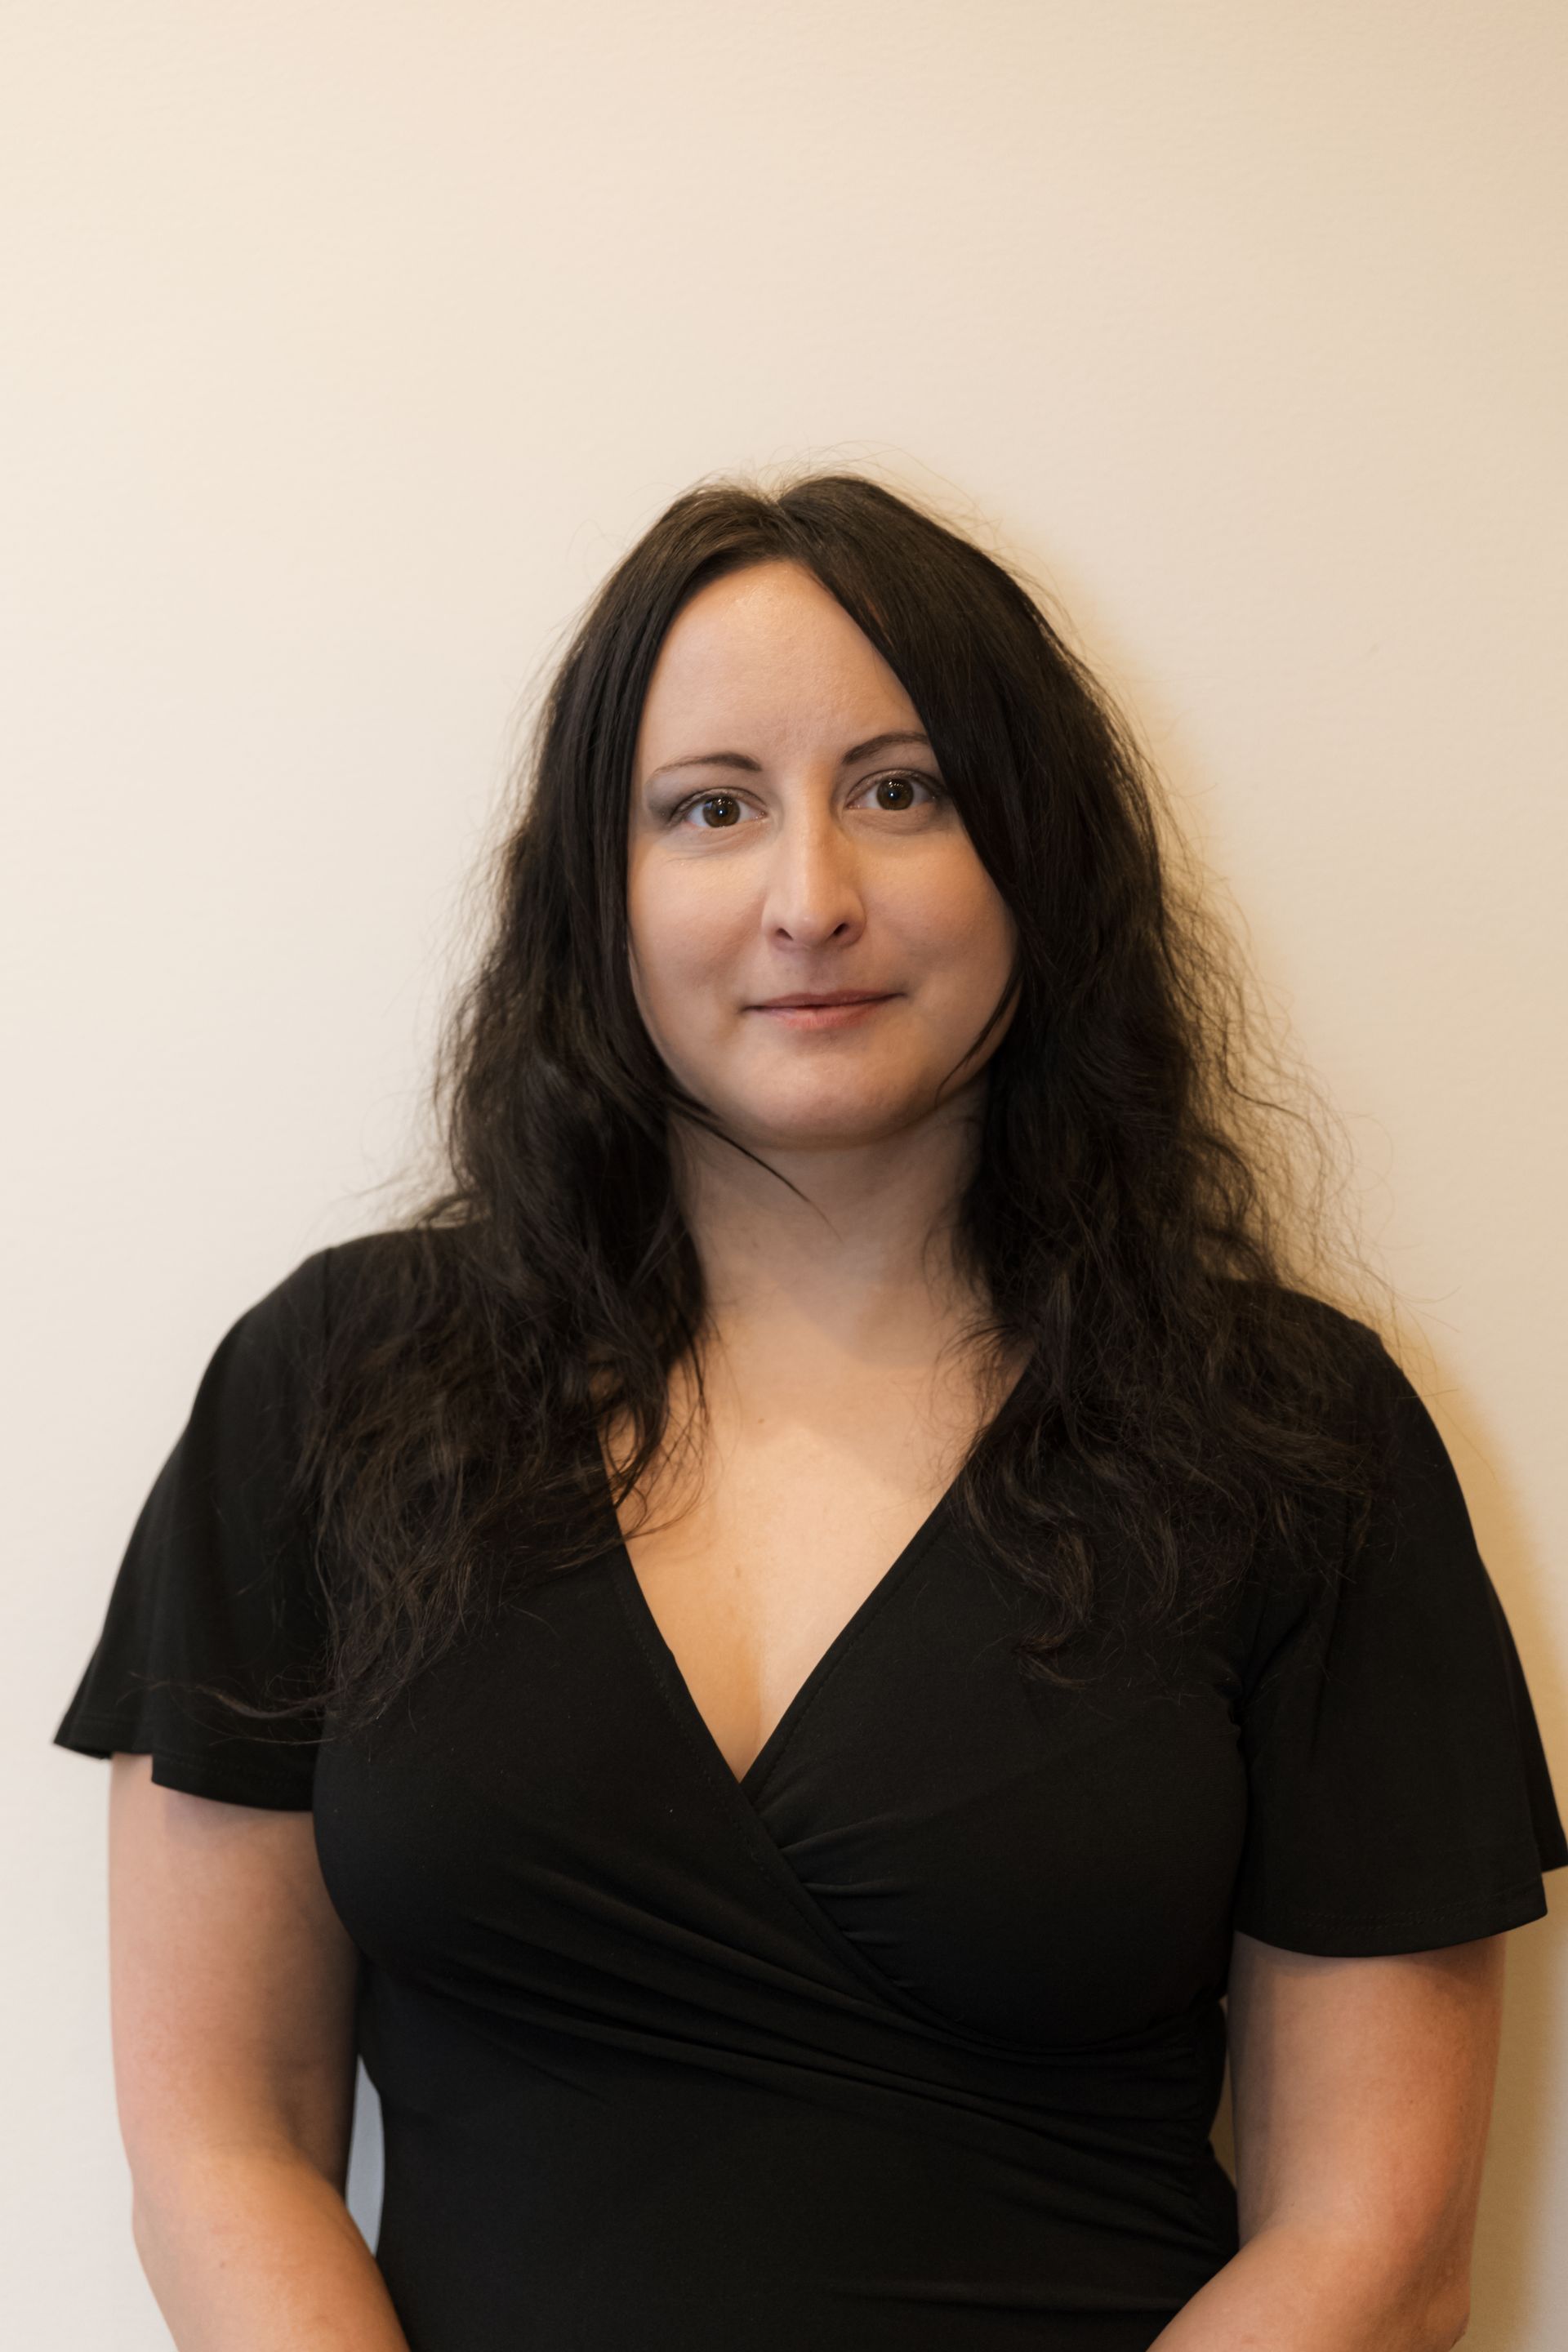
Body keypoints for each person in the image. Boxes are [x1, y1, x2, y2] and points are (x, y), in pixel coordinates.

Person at [55, 470, 1566, 2351]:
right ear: (593, 891)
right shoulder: (332, 1387)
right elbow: (225, 2139)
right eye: (710, 809)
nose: (811, 900)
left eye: (900, 790)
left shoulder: (1293, 1440)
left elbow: (1380, 2248)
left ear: (1039, 853)